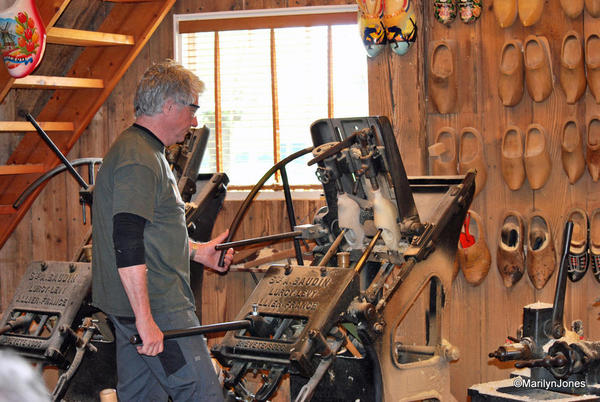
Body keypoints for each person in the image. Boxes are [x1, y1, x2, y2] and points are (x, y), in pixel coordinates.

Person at [91, 59, 234, 402]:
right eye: (192, 108)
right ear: (170, 106)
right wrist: (146, 319)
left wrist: (198, 252)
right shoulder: (138, 158)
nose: (194, 120)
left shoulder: (144, 151)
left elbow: (152, 232)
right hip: (158, 309)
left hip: (140, 308)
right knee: (204, 395)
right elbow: (126, 239)